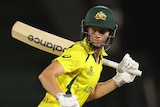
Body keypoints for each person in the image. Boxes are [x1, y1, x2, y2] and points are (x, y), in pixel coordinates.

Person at [37, 5, 140, 107]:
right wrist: (60, 96)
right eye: (94, 30)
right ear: (87, 29)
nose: (97, 35)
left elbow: (89, 94)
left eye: (102, 31)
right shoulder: (79, 53)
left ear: (110, 33)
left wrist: (119, 80)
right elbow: (46, 75)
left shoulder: (98, 59)